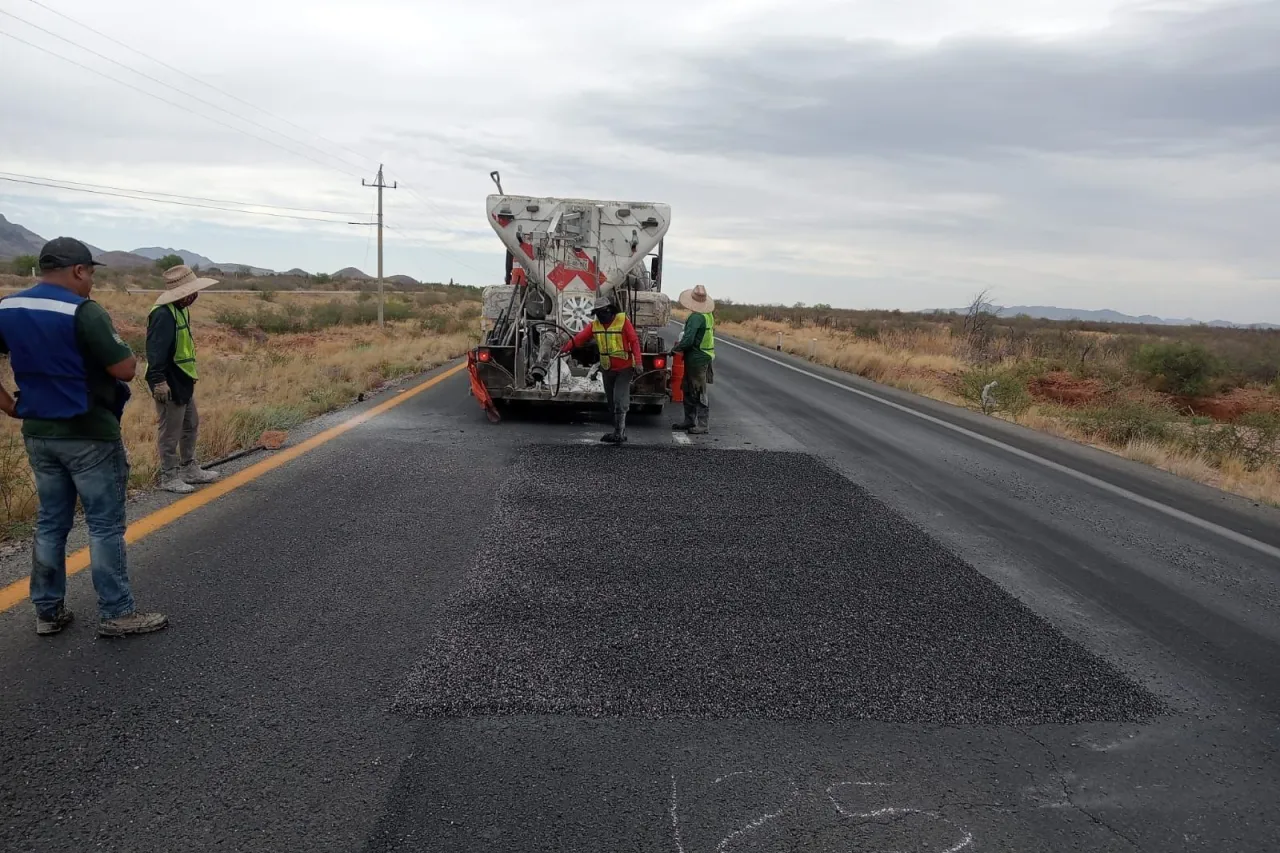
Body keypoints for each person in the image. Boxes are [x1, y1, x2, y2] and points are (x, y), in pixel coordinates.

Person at [0, 237, 168, 637]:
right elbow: (125, 369)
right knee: (104, 526)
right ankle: (116, 611)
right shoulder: (82, 310)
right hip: (89, 433)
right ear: (78, 271)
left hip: (39, 432)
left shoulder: (7, 307)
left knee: (51, 523)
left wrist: (9, 405)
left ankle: (47, 611)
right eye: (90, 273)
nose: (90, 281)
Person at [146, 264, 221, 493]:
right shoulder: (162, 314)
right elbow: (155, 351)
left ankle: (189, 468)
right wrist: (159, 381)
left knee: (190, 425)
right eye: (191, 292)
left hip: (183, 378)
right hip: (168, 381)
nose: (194, 296)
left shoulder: (180, 310)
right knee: (170, 432)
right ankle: (169, 476)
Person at [560, 296, 644, 443]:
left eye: (603, 312)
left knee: (619, 399)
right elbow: (579, 338)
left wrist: (638, 362)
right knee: (611, 402)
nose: (601, 315)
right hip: (607, 368)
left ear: (610, 310)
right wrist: (564, 349)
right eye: (598, 313)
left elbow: (634, 341)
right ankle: (617, 430)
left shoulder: (623, 322)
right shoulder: (595, 325)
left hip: (624, 368)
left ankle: (620, 433)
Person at [671, 285, 716, 434]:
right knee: (689, 388)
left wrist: (676, 349)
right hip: (703, 355)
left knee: (698, 390)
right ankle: (689, 421)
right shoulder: (708, 315)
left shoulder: (696, 317)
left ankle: (702, 424)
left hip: (697, 357)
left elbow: (688, 339)